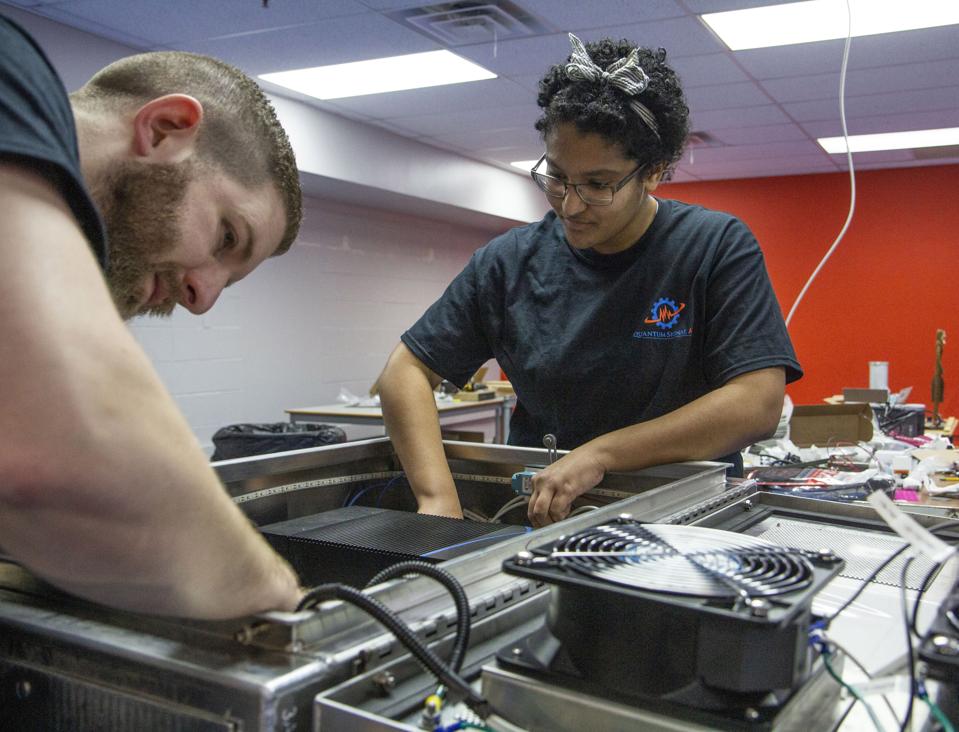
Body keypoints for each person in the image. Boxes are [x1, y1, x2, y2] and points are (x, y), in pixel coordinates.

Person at [376, 34, 802, 527]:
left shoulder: (713, 247)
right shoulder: (507, 263)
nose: (570, 205)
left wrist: (602, 454)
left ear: (654, 173)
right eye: (556, 176)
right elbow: (403, 373)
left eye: (598, 185)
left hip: (685, 519)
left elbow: (757, 402)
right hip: (546, 517)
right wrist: (437, 501)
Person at [0, 13, 303, 618]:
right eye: (225, 236)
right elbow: (61, 453)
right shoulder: (12, 77)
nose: (203, 299)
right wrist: (274, 596)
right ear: (166, 128)